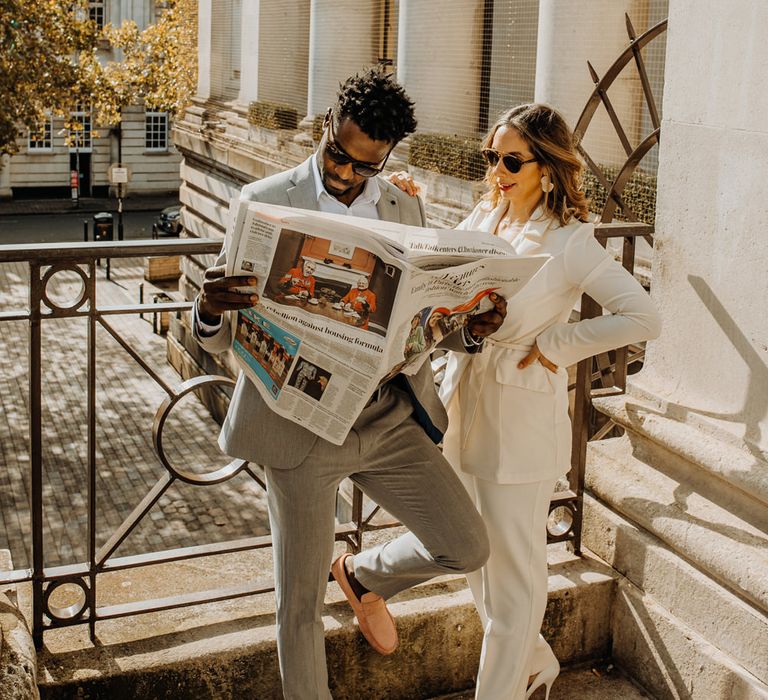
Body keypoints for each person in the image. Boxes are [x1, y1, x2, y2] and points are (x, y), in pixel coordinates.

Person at [192, 68, 507, 700]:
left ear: (386, 156)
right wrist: (209, 311)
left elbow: (419, 326)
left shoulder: (404, 205)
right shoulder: (262, 200)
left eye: (365, 167)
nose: (344, 174)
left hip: (387, 419)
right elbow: (219, 339)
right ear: (329, 123)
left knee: (468, 545)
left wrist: (470, 326)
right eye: (338, 154)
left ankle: (362, 575)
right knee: (299, 608)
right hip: (298, 429)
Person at [391, 103, 661, 699]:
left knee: (513, 581)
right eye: (491, 156)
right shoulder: (485, 215)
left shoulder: (570, 242)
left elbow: (644, 315)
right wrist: (414, 211)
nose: (497, 169)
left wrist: (557, 343)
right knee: (474, 560)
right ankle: (535, 661)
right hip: (460, 407)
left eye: (511, 159)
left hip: (519, 423)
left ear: (548, 165)